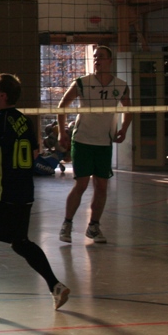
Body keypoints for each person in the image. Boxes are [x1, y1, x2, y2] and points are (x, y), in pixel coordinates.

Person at [0, 73, 70, 320]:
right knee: (20, 242)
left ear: (2, 94)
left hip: (0, 192)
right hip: (24, 192)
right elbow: (34, 154)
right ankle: (56, 286)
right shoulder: (25, 121)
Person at [56, 46, 131, 244]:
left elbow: (129, 108)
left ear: (110, 61)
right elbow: (62, 105)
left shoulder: (121, 85)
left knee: (102, 186)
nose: (97, 60)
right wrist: (61, 131)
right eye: (95, 57)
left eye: (101, 57)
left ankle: (94, 227)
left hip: (104, 142)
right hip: (83, 140)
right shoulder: (82, 82)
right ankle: (67, 223)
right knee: (81, 184)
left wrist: (124, 129)